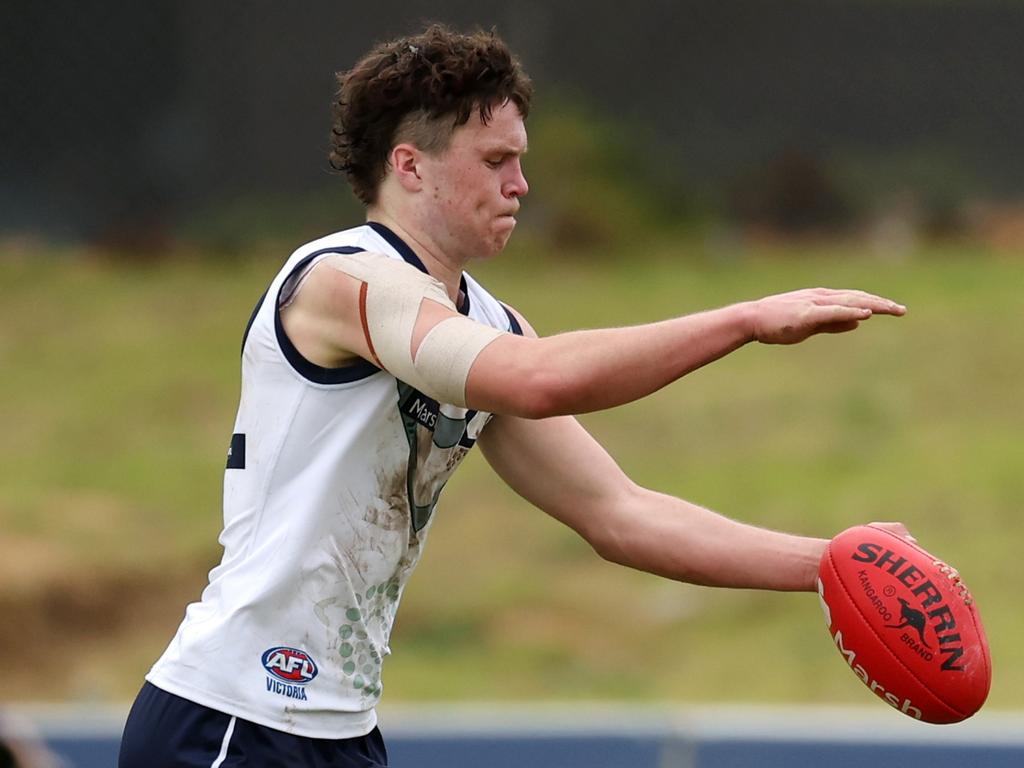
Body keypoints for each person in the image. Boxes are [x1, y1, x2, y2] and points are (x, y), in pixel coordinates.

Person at [119, 23, 908, 768]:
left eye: (520, 159)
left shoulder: (491, 323)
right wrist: (743, 320)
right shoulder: (342, 279)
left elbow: (619, 514)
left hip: (339, 733)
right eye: (495, 160)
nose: (521, 184)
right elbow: (537, 381)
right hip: (228, 722)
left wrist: (836, 564)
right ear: (410, 167)